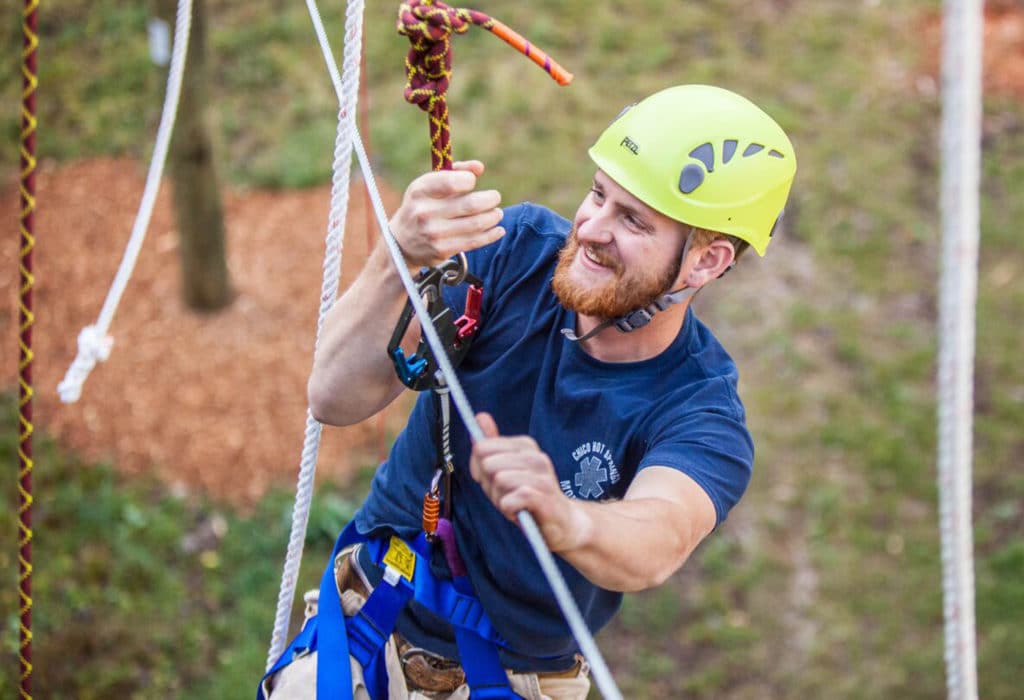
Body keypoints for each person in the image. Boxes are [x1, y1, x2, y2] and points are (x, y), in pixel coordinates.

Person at [262, 84, 796, 700]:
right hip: (372, 618)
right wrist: (397, 257)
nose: (592, 227)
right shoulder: (513, 255)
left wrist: (563, 516)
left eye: (632, 220)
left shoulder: (699, 411)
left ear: (705, 262)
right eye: (598, 194)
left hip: (515, 678)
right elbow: (333, 397)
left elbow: (660, 534)